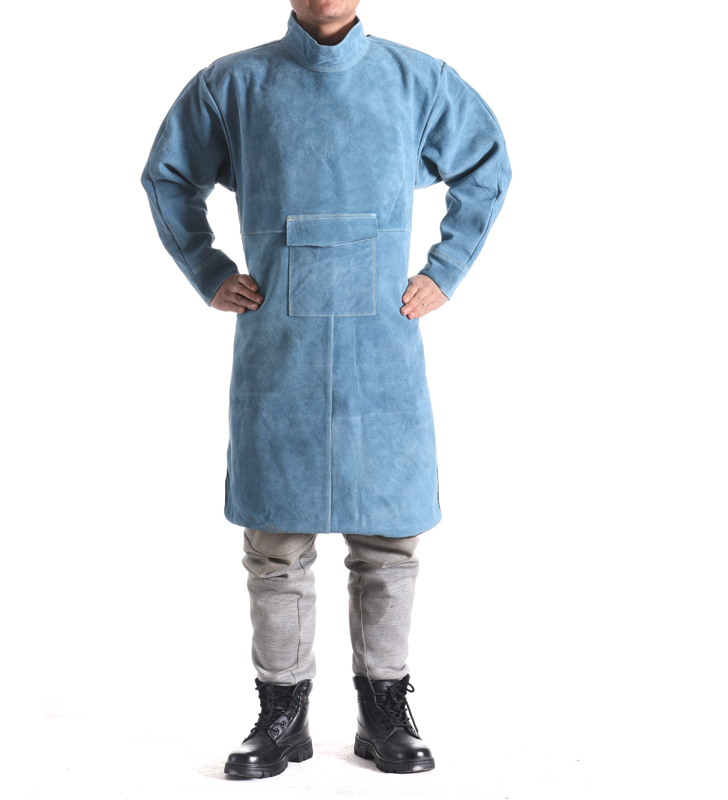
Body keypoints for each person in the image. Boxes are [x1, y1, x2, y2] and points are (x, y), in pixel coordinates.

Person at [140, 0, 511, 779]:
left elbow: (486, 162)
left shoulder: (419, 82)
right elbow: (168, 175)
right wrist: (207, 269)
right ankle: (282, 716)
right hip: (281, 351)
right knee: (276, 543)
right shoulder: (233, 85)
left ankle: (385, 712)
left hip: (383, 349)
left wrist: (445, 270)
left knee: (389, 539)